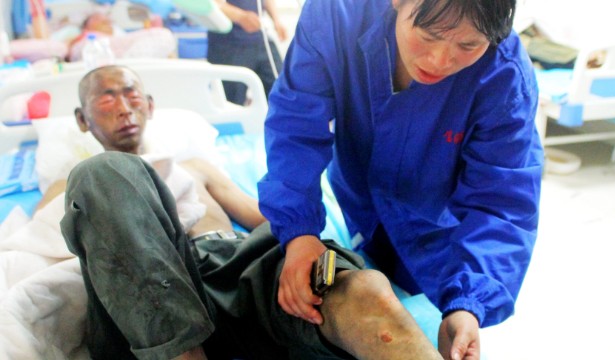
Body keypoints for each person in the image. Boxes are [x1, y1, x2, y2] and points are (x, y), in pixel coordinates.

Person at [60, 65, 443, 359]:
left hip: (235, 270)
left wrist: (310, 252)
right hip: (142, 298)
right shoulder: (71, 186)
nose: (125, 107)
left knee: (360, 290)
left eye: (132, 94)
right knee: (103, 172)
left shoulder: (194, 165)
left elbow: (269, 221)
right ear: (82, 118)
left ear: (150, 105)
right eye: (107, 98)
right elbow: (37, 259)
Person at [257, 0, 544, 359]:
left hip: (438, 229)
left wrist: (469, 305)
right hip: (360, 202)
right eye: (428, 35)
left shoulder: (504, 77)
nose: (440, 60)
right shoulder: (337, 13)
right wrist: (298, 232)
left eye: (468, 46)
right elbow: (296, 124)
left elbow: (501, 202)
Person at [206, 0, 287, 105]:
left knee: (281, 91)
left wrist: (276, 20)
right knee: (232, 102)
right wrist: (240, 16)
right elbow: (210, 3)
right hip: (229, 44)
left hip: (260, 39)